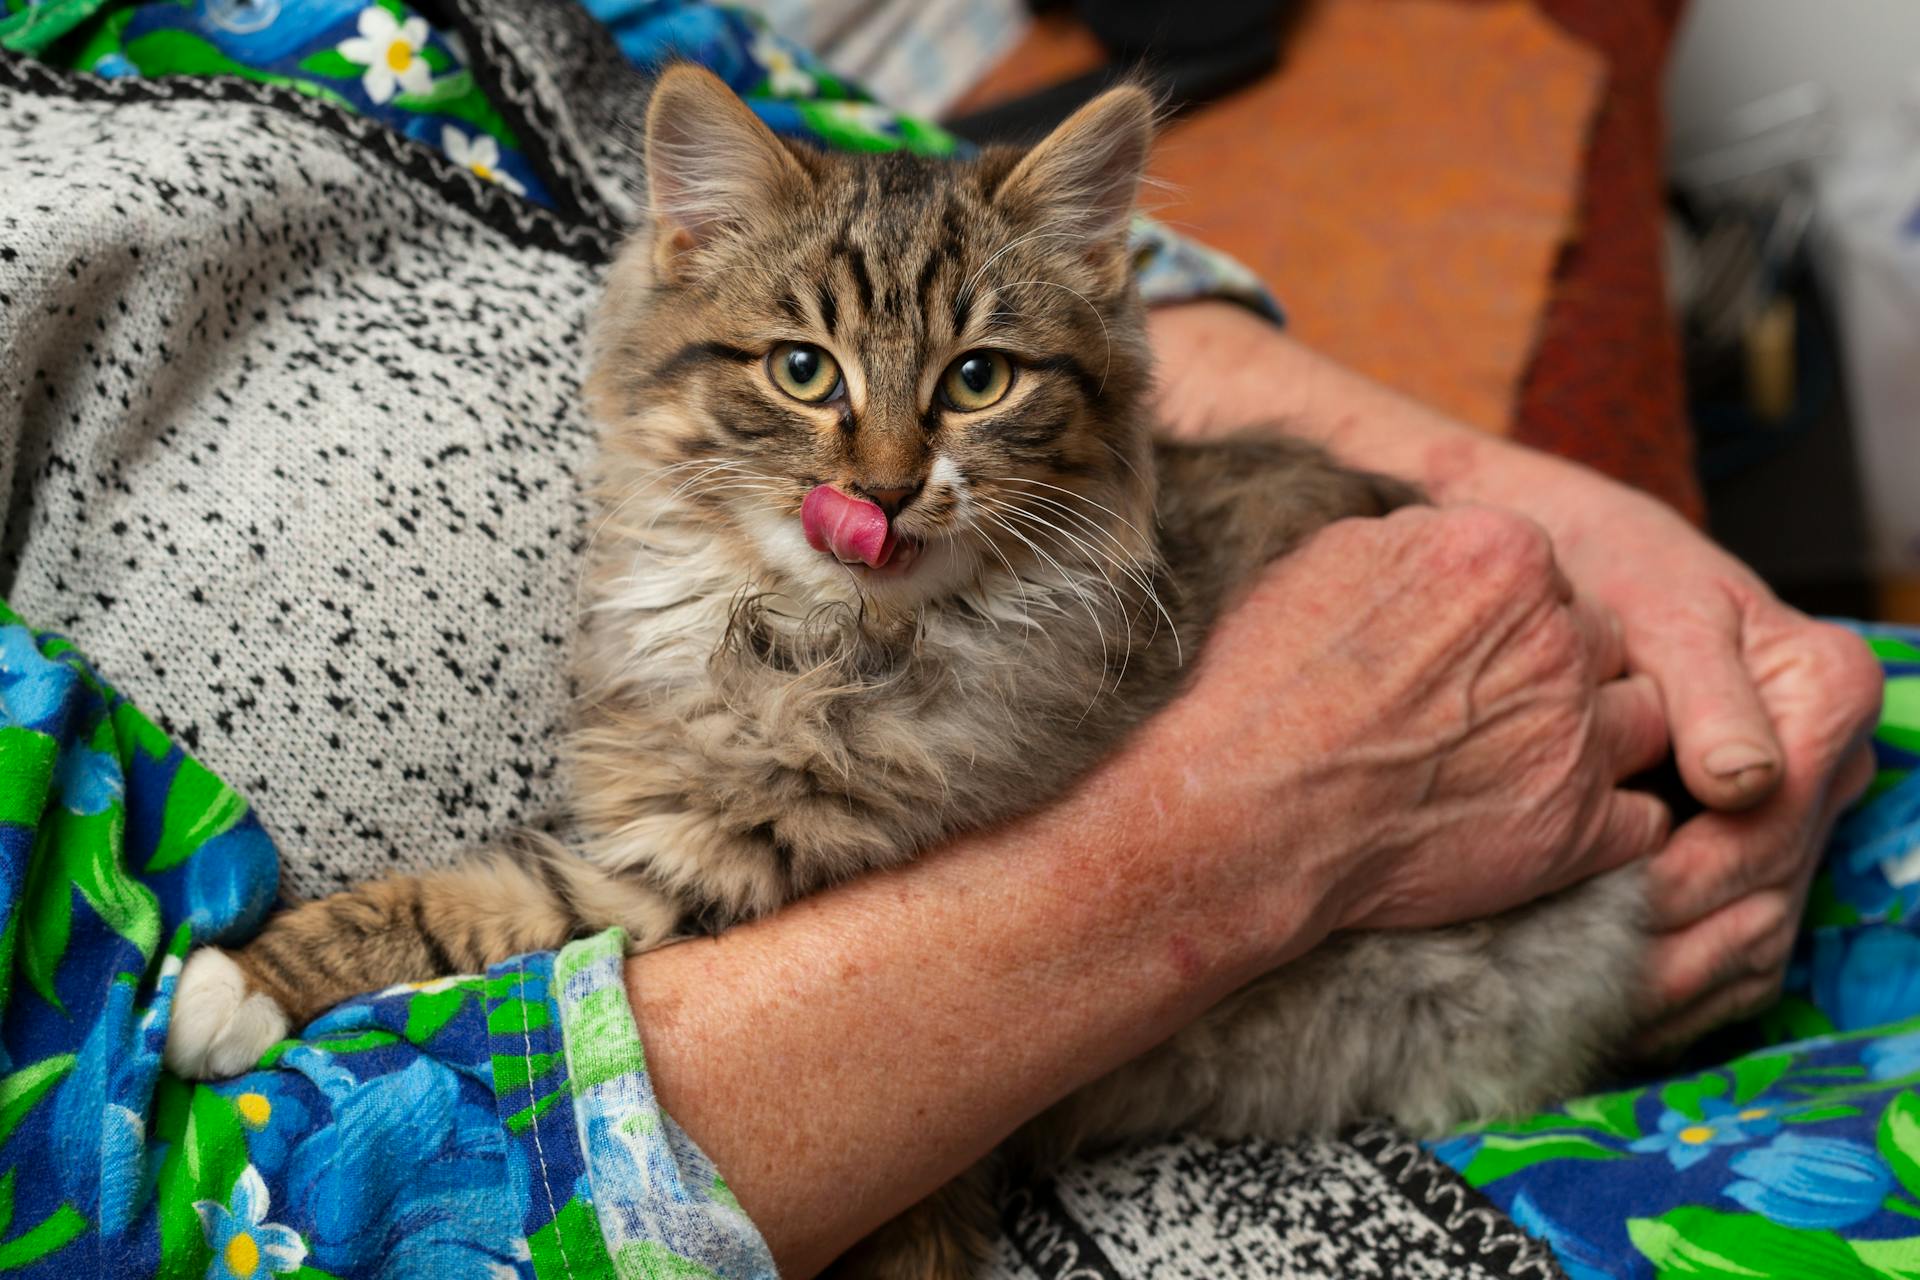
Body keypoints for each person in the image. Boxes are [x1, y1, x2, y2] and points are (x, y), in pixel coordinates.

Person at [0, 1, 1884, 1277]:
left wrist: (1516, 497)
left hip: (1419, 767)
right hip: (1007, 1119)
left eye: (951, 393)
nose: (885, 467)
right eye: (818, 382)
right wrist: (1234, 832)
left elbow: (922, 205)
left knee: (1864, 726)